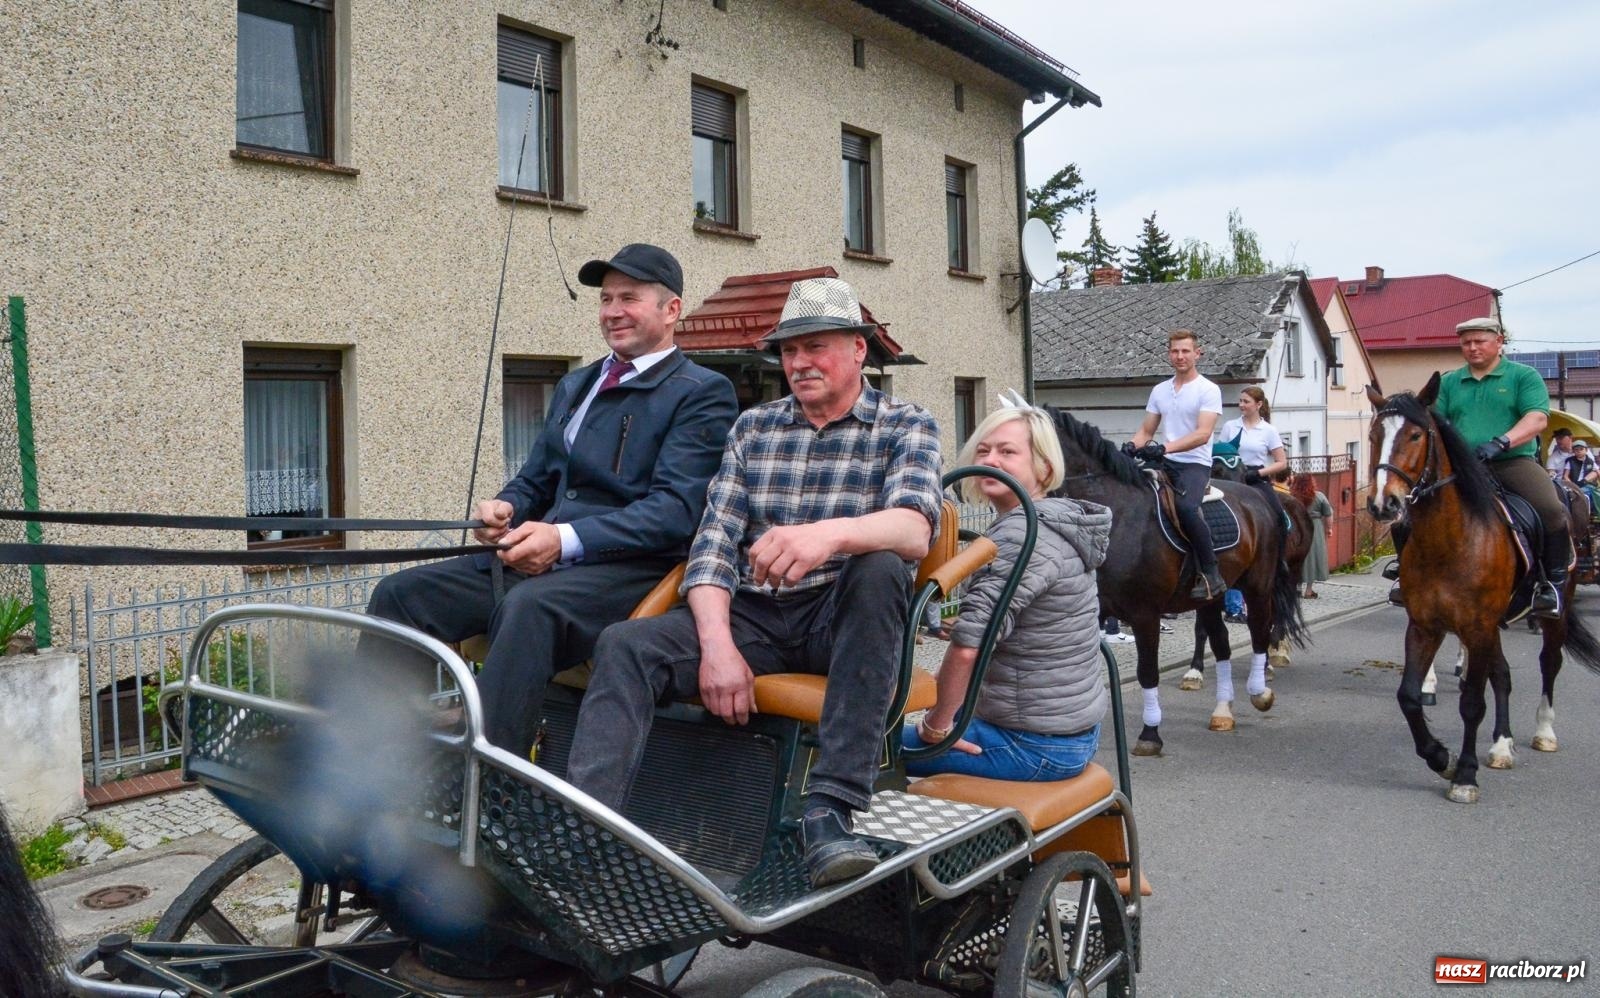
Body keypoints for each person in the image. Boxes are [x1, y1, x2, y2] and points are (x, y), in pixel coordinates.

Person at [565, 277, 942, 889]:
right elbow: (712, 547)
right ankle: (588, 829)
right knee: (624, 644)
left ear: (858, 350)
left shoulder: (905, 424)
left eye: (816, 346)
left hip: (841, 616)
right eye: (789, 351)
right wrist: (717, 646)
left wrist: (827, 536)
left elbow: (914, 528)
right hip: (754, 613)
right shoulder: (754, 428)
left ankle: (831, 810)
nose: (799, 362)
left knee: (878, 567)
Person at [365, 244, 738, 756]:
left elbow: (676, 512)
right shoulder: (576, 384)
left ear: (671, 310)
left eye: (629, 298)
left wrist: (562, 540)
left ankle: (492, 780)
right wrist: (507, 508)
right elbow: (537, 478)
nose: (612, 312)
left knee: (527, 608)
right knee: (400, 594)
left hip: (630, 571)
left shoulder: (700, 392)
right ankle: (375, 756)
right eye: (606, 299)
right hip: (546, 560)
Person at [903, 403, 1111, 781]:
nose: (991, 460)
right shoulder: (1057, 521)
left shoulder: (1022, 535)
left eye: (1007, 451)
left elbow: (969, 649)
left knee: (865, 750)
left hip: (1031, 744)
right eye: (983, 450)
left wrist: (935, 726)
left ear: (1044, 467)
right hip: (1066, 732)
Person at [1397, 316, 1571, 617]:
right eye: (1466, 343)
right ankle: (1405, 577)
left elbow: (1537, 419)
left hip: (1511, 461)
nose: (1472, 348)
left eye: (1480, 341)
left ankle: (1551, 585)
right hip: (1462, 468)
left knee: (1551, 509)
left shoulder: (1523, 376)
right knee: (1403, 514)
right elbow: (1434, 424)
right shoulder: (1451, 382)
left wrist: (1501, 442)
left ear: (1499, 341)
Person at [1128, 328, 1226, 599]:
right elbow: (1146, 432)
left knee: (1186, 507)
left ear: (1197, 353)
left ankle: (1211, 573)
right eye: (1175, 351)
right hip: (1165, 461)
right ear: (1169, 354)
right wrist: (1129, 447)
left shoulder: (1208, 389)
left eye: (1185, 351)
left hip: (1194, 463)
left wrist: (1163, 448)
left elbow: (1202, 434)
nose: (1180, 356)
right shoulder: (1159, 390)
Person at [1292, 473, 1334, 598]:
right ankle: (1309, 590)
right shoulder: (1319, 496)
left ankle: (1296, 588)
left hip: (1298, 526)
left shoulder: (1293, 497)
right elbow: (1328, 513)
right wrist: (1329, 528)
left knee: (1298, 557)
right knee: (1313, 557)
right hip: (1314, 527)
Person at [1565, 439, 1599, 507]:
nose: (1579, 451)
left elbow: (1597, 471)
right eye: (1576, 450)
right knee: (1582, 493)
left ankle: (1594, 511)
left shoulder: (1590, 461)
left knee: (1594, 492)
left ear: (1586, 450)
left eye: (1581, 449)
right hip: (1575, 484)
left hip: (1587, 483)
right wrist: (1571, 485)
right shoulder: (1571, 461)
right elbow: (1566, 476)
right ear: (1573, 451)